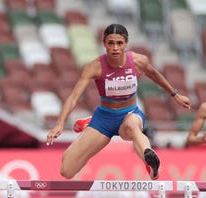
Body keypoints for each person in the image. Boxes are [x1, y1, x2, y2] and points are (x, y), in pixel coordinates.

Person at [46, 23, 192, 180]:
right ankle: (89, 124)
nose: (115, 48)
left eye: (119, 43)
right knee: (66, 170)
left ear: (126, 43)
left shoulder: (138, 61)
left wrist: (175, 94)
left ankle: (149, 159)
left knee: (132, 125)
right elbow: (74, 97)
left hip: (129, 114)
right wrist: (60, 123)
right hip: (104, 119)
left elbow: (154, 74)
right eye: (111, 43)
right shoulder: (94, 67)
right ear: (104, 44)